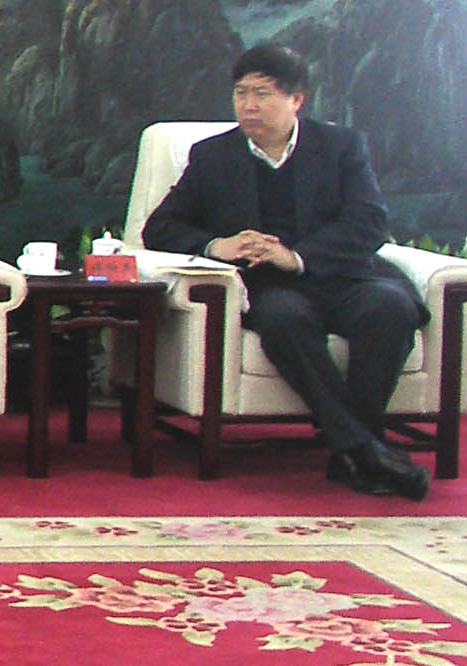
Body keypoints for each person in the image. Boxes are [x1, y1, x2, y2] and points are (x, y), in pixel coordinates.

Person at [143, 43, 430, 500]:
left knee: (392, 307)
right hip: (271, 287)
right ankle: (364, 450)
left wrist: (295, 256)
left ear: (297, 99)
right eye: (241, 93)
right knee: (283, 320)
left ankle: (355, 450)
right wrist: (218, 246)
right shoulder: (214, 156)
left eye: (262, 93)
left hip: (343, 276)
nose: (248, 105)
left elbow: (369, 222)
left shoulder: (341, 147)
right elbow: (160, 227)